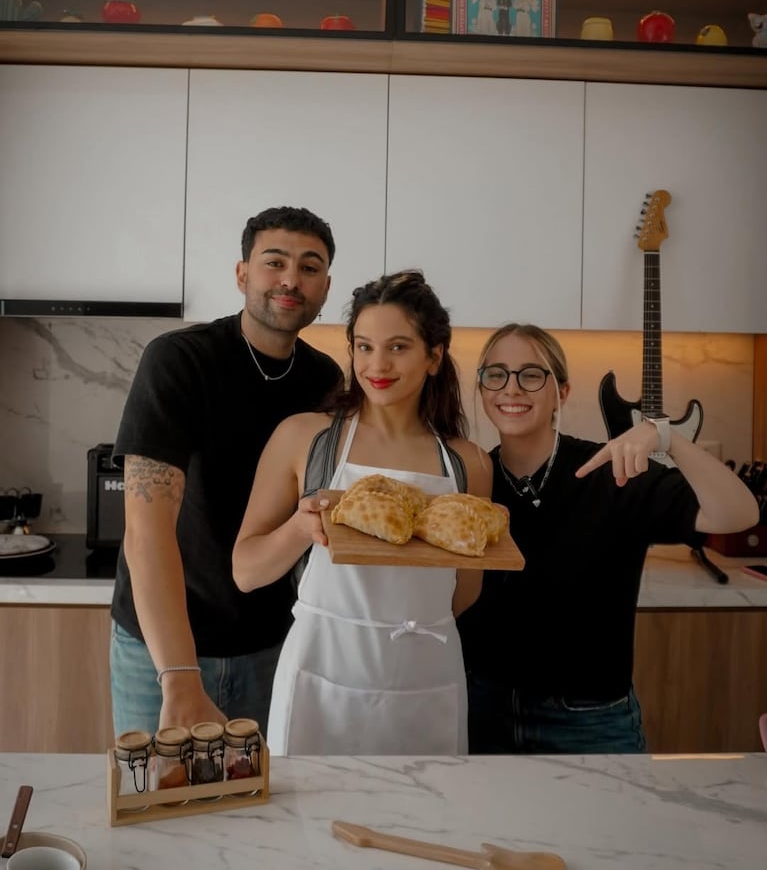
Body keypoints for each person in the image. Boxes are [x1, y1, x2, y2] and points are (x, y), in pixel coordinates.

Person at [458, 323, 759, 755]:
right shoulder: (472, 480)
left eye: (531, 374)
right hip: (484, 710)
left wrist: (666, 437)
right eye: (496, 374)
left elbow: (739, 514)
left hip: (590, 721)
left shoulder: (612, 473)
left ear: (562, 392)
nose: (512, 388)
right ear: (482, 388)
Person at [233, 270, 493, 756]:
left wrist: (398, 632)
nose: (377, 364)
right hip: (322, 672)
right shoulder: (303, 438)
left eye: (398, 347)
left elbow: (465, 592)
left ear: (434, 356)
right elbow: (246, 572)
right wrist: (301, 527)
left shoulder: (469, 463)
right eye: (364, 346)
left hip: (426, 679)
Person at [110, 206, 344, 737]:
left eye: (309, 267)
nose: (291, 279)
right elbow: (146, 534)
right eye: (274, 262)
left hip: (269, 646)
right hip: (162, 650)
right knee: (157, 787)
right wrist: (179, 677)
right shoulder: (179, 360)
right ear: (242, 274)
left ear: (326, 287)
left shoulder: (325, 381)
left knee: (261, 790)